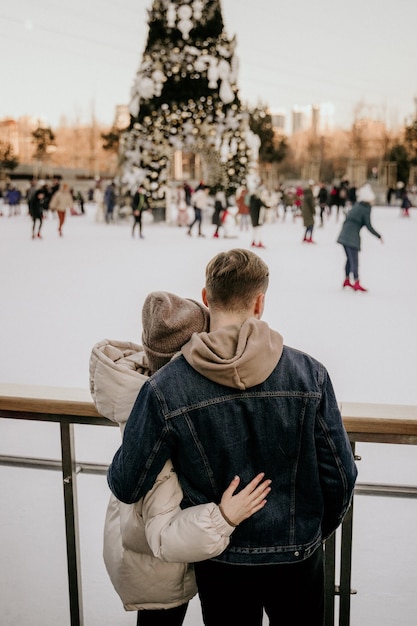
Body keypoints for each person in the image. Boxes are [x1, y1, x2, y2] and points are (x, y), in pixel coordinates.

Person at [107, 248, 358, 626]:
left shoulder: (165, 389)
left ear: (207, 299)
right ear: (259, 302)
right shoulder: (310, 374)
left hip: (222, 560)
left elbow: (127, 484)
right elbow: (341, 475)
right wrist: (308, 532)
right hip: (298, 559)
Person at [90, 291, 270, 626]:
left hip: (160, 546)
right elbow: (164, 534)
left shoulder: (146, 392)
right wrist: (224, 518)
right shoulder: (162, 415)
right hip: (164, 558)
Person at [337, 182, 383, 292]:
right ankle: (356, 281)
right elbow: (368, 225)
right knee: (354, 260)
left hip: (343, 234)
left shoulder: (357, 205)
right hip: (352, 237)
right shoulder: (366, 208)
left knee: (349, 259)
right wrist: (378, 236)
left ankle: (347, 279)